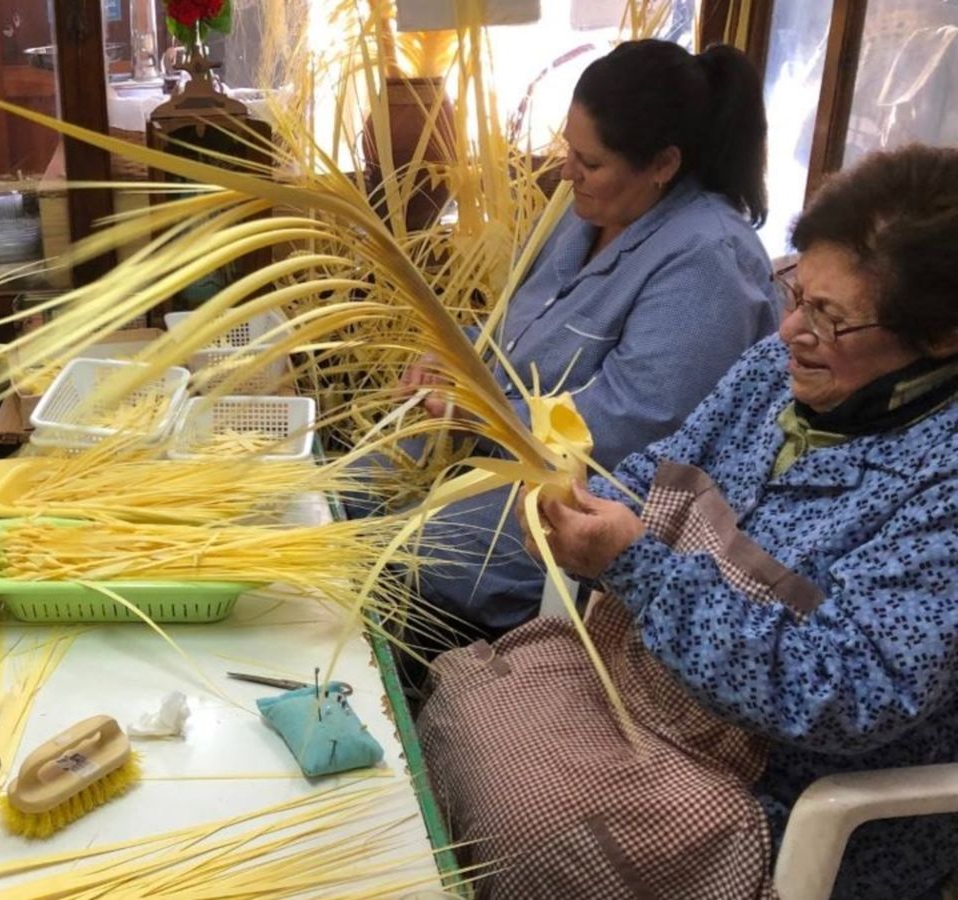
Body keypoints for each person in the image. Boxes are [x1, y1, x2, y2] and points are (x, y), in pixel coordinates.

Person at [420, 144, 958, 899]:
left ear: (941, 338)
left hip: (779, 788)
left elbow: (844, 689)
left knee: (533, 830)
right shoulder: (776, 374)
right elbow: (660, 470)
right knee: (457, 703)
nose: (789, 331)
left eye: (830, 319)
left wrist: (635, 564)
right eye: (797, 295)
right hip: (651, 692)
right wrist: (578, 501)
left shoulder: (942, 483)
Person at [399, 39, 779, 638]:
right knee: (351, 488)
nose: (566, 172)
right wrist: (455, 353)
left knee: (411, 547)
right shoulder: (582, 213)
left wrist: (485, 413)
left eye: (590, 162)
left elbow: (636, 422)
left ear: (663, 164)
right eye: (568, 150)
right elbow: (514, 328)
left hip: (586, 497)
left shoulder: (708, 259)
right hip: (490, 449)